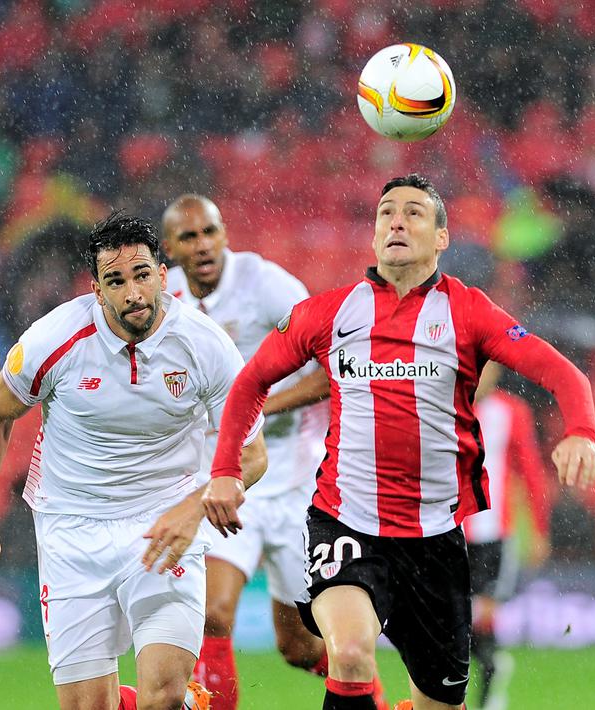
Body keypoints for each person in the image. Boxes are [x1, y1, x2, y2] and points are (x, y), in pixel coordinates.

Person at [201, 173, 595, 710]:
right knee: (347, 656)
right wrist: (227, 468)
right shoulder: (331, 312)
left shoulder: (469, 311)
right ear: (372, 236)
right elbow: (251, 381)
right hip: (346, 522)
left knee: (443, 703)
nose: (396, 220)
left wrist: (581, 431)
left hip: (435, 536)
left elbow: (565, 376)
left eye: (415, 213)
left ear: (441, 237)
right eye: (387, 212)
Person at [0, 213, 268, 710]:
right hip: (71, 530)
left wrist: (192, 510)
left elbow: (251, 454)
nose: (133, 293)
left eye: (142, 275)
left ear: (164, 275)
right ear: (97, 290)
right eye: (115, 281)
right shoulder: (55, 338)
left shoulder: (207, 346)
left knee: (160, 697)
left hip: (164, 525)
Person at [160, 194, 376, 710]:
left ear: (225, 233)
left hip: (299, 483)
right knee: (213, 614)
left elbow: (336, 370)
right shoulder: (162, 298)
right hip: (229, 479)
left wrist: (256, 403)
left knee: (300, 646)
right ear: (170, 248)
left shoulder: (268, 287)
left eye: (210, 231)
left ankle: (374, 698)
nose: (203, 244)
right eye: (189, 237)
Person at [462, 362, 552, 710]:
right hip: (448, 534)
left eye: (484, 368)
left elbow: (531, 471)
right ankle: (488, 668)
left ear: (496, 372)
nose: (476, 376)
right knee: (454, 620)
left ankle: (487, 692)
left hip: (494, 536)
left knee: (482, 616)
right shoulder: (440, 404)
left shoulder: (511, 411)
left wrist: (540, 530)